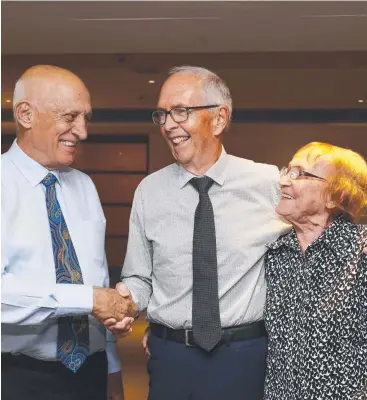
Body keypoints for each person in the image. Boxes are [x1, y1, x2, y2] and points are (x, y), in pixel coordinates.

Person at [111, 65, 289, 400]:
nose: (167, 125)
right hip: (171, 357)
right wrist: (126, 302)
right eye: (162, 114)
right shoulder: (149, 191)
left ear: (220, 119)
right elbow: (140, 277)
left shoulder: (268, 184)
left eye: (181, 112)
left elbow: (322, 222)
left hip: (246, 356)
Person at [1, 65, 137, 400]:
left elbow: (96, 276)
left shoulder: (85, 186)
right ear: (25, 114)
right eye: (70, 117)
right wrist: (88, 299)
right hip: (15, 376)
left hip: (88, 371)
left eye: (86, 118)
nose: (83, 131)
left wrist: (112, 368)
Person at [264, 142, 367, 400]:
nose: (285, 181)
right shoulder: (275, 253)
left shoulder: (360, 251)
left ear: (335, 196)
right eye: (287, 171)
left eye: (299, 173)